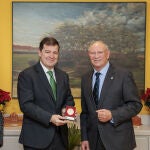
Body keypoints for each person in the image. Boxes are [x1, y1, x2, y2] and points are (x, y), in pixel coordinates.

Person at [80, 40, 142, 150]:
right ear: (89, 55)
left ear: (108, 54)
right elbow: (85, 113)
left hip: (118, 141)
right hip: (93, 141)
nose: (96, 56)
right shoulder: (85, 78)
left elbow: (135, 105)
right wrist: (84, 138)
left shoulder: (123, 75)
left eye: (100, 52)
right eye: (92, 53)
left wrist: (112, 115)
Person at [17, 37, 75, 150]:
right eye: (47, 52)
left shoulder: (63, 76)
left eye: (55, 52)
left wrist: (65, 111)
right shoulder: (27, 75)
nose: (51, 56)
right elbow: (26, 105)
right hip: (36, 139)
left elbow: (69, 99)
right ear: (40, 52)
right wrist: (50, 118)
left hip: (60, 139)